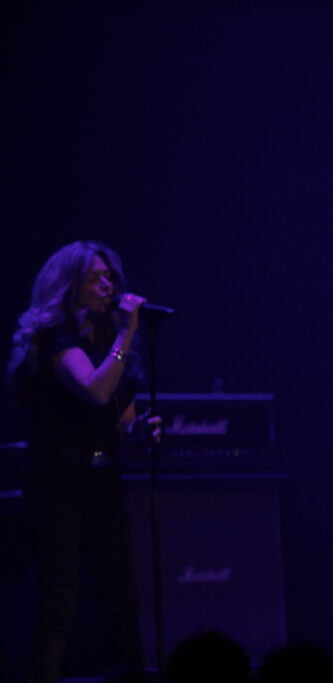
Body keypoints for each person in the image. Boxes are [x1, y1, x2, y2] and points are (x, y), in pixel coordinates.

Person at [7, 241, 160, 683]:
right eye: (95, 277)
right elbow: (94, 389)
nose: (107, 284)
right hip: (57, 480)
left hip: (103, 478)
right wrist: (126, 335)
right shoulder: (55, 337)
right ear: (70, 285)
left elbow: (120, 418)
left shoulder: (112, 342)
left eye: (110, 276)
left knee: (121, 597)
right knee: (58, 602)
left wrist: (141, 429)